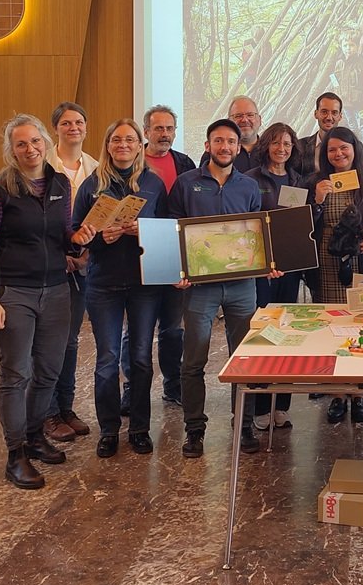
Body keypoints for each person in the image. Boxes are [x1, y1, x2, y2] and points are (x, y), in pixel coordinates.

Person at [0, 114, 95, 489]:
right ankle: (15, 455)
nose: (30, 149)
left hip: (58, 290)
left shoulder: (59, 183)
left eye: (35, 141)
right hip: (15, 293)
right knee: (16, 374)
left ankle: (34, 436)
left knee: (48, 371)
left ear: (46, 143)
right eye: (21, 144)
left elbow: (61, 235)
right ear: (11, 149)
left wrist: (79, 237)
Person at [168, 119, 267, 458]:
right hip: (199, 288)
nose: (225, 147)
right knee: (193, 359)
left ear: (239, 148)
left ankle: (245, 424)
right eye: (218, 141)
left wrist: (266, 262)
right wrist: (177, 269)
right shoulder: (185, 184)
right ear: (208, 144)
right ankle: (194, 429)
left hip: (242, 286)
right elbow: (173, 233)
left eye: (231, 142)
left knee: (244, 359)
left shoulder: (249, 186)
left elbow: (257, 235)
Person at [73, 119, 167, 459]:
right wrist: (99, 239)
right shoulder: (90, 186)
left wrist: (144, 231)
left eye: (130, 139)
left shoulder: (154, 184)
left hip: (144, 284)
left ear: (140, 145)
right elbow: (75, 236)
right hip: (103, 285)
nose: (123, 144)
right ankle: (109, 430)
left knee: (141, 359)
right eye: (116, 139)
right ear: (108, 145)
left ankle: (140, 429)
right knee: (107, 360)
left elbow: (169, 231)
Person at [309, 126, 363, 423]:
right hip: (327, 265)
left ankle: (360, 394)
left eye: (344, 148)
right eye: (332, 150)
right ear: (325, 154)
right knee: (332, 327)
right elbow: (301, 222)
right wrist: (317, 201)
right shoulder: (316, 183)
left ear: (355, 149)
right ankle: (336, 393)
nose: (339, 154)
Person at [121, 104, 197, 410]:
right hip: (135, 256)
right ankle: (131, 388)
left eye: (169, 129)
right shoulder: (131, 164)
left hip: (174, 254)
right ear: (146, 131)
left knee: (172, 328)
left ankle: (173, 385)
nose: (164, 134)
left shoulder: (185, 163)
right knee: (136, 330)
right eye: (158, 128)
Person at [42, 101, 97, 443]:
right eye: (66, 122)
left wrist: (85, 256)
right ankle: (47, 413)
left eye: (78, 121)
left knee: (71, 340)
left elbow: (100, 215)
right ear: (56, 128)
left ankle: (66, 407)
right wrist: (59, 255)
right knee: (47, 342)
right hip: (49, 265)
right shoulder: (41, 165)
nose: (73, 127)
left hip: (83, 264)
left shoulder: (95, 167)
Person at [246, 121, 305, 430]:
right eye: (276, 143)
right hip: (261, 271)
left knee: (286, 334)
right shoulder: (251, 179)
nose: (282, 149)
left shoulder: (298, 180)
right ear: (266, 144)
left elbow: (303, 224)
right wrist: (263, 261)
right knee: (261, 335)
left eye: (287, 144)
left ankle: (281, 405)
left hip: (290, 268)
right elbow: (247, 224)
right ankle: (257, 406)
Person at [297, 91, 342, 175]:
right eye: (324, 112)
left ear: (340, 116)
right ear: (316, 114)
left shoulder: (353, 147)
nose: (329, 117)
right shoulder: (300, 146)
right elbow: (293, 181)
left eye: (334, 113)